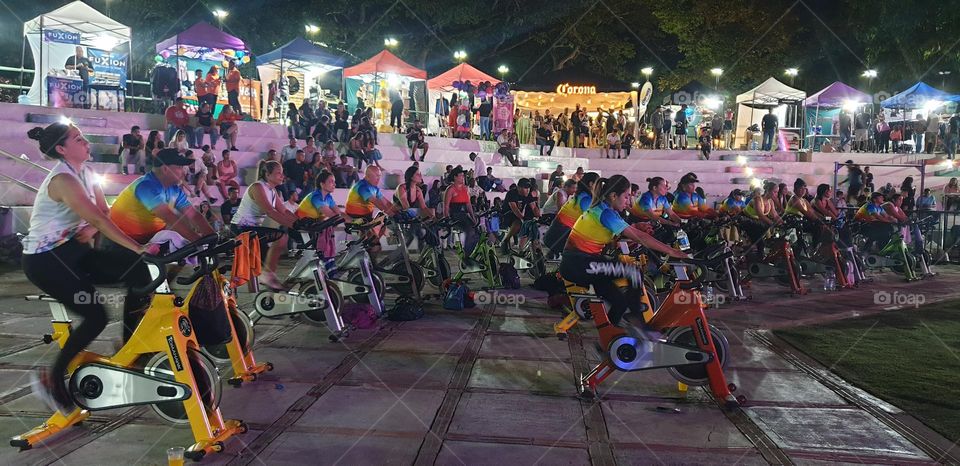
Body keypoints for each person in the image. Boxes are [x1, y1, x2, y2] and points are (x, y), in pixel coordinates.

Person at [23, 123, 156, 413]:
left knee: (138, 270)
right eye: (78, 139)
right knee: (96, 315)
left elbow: (102, 214)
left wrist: (91, 230)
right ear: (61, 149)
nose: (85, 142)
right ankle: (51, 379)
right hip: (46, 260)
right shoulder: (62, 180)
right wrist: (139, 246)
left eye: (83, 137)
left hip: (73, 251)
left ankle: (130, 345)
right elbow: (98, 220)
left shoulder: (86, 173)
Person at [559, 175, 687, 328]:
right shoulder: (605, 213)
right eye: (626, 196)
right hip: (580, 264)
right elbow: (640, 237)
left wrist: (637, 227)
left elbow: (626, 231)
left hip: (582, 263)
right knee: (634, 272)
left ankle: (610, 337)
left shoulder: (604, 209)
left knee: (620, 302)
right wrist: (673, 252)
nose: (628, 201)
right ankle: (637, 317)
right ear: (613, 196)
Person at [108, 148, 216, 280]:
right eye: (180, 167)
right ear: (165, 169)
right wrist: (198, 244)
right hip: (120, 245)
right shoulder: (146, 186)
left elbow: (194, 215)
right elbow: (169, 217)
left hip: (146, 244)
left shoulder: (174, 189)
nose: (184, 172)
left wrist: (212, 239)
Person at [231, 160, 300, 289]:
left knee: (267, 261)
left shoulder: (272, 192)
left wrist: (300, 222)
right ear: (267, 175)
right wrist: (294, 226)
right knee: (282, 237)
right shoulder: (258, 187)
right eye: (278, 173)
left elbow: (284, 211)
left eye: (282, 173)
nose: (282, 176)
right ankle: (267, 277)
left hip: (253, 228)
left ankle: (268, 282)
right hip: (241, 228)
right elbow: (270, 212)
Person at [296, 170, 343, 261]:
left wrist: (353, 221)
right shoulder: (316, 196)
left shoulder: (328, 197)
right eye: (331, 181)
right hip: (300, 227)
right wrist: (342, 219)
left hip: (312, 226)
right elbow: (332, 215)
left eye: (334, 182)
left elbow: (338, 214)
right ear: (322, 184)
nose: (334, 184)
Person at [443, 167, 479, 256]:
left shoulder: (465, 189)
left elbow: (468, 205)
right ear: (455, 177)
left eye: (463, 176)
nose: (463, 177)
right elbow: (446, 206)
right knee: (470, 231)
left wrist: (473, 218)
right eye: (461, 176)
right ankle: (467, 255)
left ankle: (473, 253)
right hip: (455, 215)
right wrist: (447, 219)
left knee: (477, 232)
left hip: (464, 215)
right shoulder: (450, 189)